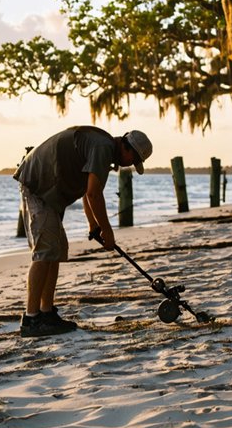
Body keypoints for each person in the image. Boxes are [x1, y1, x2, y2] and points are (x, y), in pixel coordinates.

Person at [13, 126, 153, 337]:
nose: (129, 166)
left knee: (57, 249)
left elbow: (88, 192)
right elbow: (94, 194)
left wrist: (93, 225)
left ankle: (47, 313)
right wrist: (107, 231)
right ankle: (31, 319)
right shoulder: (103, 148)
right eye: (133, 161)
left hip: (50, 193)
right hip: (37, 186)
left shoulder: (103, 148)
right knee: (45, 251)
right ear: (127, 148)